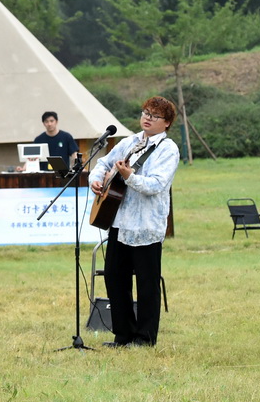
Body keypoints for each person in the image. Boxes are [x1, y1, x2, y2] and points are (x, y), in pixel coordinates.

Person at [88, 96, 179, 348]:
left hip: (146, 227)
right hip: (119, 221)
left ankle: (144, 338)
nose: (147, 118)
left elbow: (156, 185)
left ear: (167, 123)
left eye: (155, 115)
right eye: (145, 112)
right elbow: (103, 163)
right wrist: (96, 179)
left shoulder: (168, 150)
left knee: (147, 284)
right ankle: (123, 335)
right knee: (115, 279)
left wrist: (129, 176)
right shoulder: (129, 141)